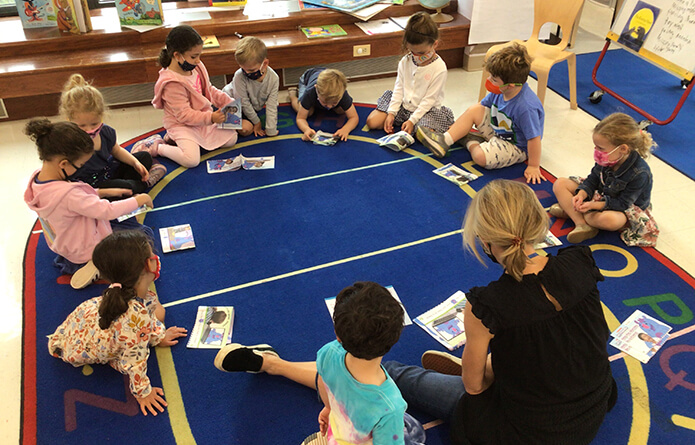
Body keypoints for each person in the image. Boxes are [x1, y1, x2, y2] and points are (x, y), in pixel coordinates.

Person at [383, 180, 617, 445]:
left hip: (530, 432)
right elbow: (581, 336)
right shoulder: (579, 260)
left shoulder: (488, 305)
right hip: (593, 403)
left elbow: (474, 387)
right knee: (527, 347)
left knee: (407, 378)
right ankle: (489, 365)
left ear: (485, 240)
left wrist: (480, 374)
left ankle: (349, 370)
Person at [213, 281, 425, 445]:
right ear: (396, 337)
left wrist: (328, 408)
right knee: (416, 433)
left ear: (338, 334)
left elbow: (324, 385)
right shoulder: (390, 406)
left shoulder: (328, 353)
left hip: (336, 432)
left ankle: (270, 363)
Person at [48, 230, 188, 416]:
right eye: (152, 254)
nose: (156, 257)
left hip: (86, 323)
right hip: (79, 347)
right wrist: (143, 393)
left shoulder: (125, 291)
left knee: (152, 320)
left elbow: (145, 315)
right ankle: (114, 354)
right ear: (149, 264)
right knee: (136, 346)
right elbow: (135, 362)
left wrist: (159, 335)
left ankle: (134, 341)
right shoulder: (134, 322)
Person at [23, 119, 155, 289]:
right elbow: (107, 210)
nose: (81, 168)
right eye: (79, 165)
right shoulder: (69, 195)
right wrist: (140, 199)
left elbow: (76, 201)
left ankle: (89, 260)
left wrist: (102, 192)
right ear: (63, 163)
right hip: (88, 247)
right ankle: (96, 263)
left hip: (68, 242)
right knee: (143, 237)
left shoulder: (38, 179)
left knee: (129, 224)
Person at [416, 43, 546, 184]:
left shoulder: (526, 107)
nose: (489, 80)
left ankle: (470, 141)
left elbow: (534, 139)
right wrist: (457, 129)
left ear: (510, 85)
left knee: (479, 157)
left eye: (494, 80)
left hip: (516, 146)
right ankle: (444, 141)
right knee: (475, 110)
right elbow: (480, 108)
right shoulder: (500, 91)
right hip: (499, 130)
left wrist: (533, 165)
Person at [550, 112, 659, 246]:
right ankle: (582, 223)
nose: (596, 151)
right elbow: (593, 179)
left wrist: (593, 205)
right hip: (602, 195)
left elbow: (623, 204)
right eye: (596, 146)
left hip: (622, 209)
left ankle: (574, 213)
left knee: (610, 220)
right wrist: (582, 193)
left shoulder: (640, 173)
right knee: (560, 184)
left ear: (623, 149)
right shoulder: (609, 157)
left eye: (601, 148)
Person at [139, 25, 238, 168]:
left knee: (231, 139)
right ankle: (157, 146)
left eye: (199, 55)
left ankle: (183, 141)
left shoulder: (195, 66)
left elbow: (208, 90)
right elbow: (184, 115)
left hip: (201, 118)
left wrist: (229, 103)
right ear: (177, 55)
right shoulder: (171, 83)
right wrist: (210, 118)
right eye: (194, 56)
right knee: (191, 160)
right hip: (181, 124)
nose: (198, 60)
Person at [59, 73, 167, 196]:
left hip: (110, 171)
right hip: (93, 189)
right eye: (82, 126)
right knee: (126, 188)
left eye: (94, 124)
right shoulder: (67, 142)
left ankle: (132, 185)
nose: (89, 130)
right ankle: (142, 185)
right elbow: (62, 179)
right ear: (69, 120)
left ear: (102, 116)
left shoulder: (105, 132)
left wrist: (135, 163)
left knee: (144, 157)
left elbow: (116, 150)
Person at [365, 12, 454, 135]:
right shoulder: (405, 61)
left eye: (421, 53)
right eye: (412, 51)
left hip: (426, 111)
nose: (416, 56)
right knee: (373, 122)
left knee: (423, 132)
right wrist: (391, 113)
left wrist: (412, 120)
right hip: (403, 106)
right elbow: (399, 88)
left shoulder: (439, 68)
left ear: (435, 44)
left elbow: (429, 100)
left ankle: (449, 130)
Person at [222, 36, 279, 137]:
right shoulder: (239, 76)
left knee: (246, 129)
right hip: (230, 104)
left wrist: (271, 130)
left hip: (248, 109)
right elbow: (244, 102)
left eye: (251, 70)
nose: (247, 73)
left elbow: (272, 105)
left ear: (265, 63)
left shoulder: (273, 78)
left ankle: (231, 124)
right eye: (244, 69)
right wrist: (257, 122)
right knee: (245, 130)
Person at [289, 68, 359, 142]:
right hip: (306, 80)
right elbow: (300, 118)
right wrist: (306, 129)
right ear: (317, 90)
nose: (328, 106)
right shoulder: (310, 92)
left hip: (322, 81)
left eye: (334, 103)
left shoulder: (342, 93)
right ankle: (292, 96)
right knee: (308, 112)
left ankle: (327, 103)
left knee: (341, 110)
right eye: (325, 103)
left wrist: (345, 129)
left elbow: (354, 117)